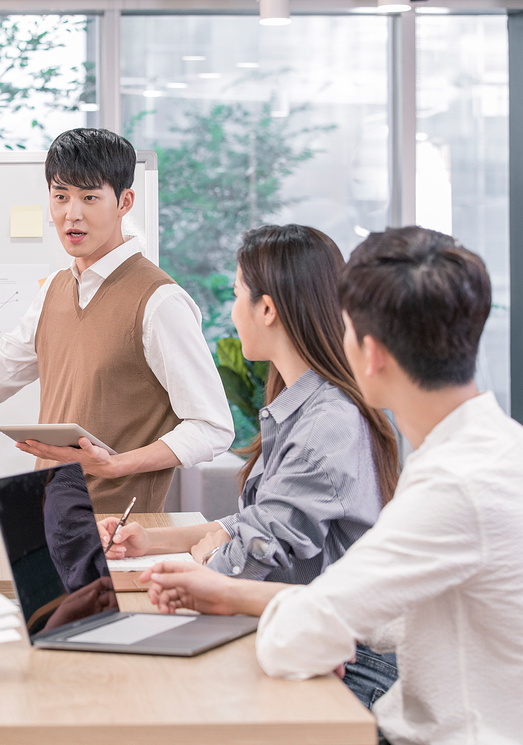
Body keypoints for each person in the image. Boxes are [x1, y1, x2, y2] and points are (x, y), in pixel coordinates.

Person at [141, 227, 523, 744]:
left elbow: (293, 641)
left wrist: (301, 621)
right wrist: (266, 605)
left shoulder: (455, 483)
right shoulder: (502, 449)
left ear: (371, 352)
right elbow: (391, 612)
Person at [0, 128, 234, 513]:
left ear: (124, 202)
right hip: (45, 520)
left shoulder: (160, 301)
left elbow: (212, 427)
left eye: (89, 197)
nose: (71, 214)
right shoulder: (54, 290)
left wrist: (116, 465)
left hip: (119, 533)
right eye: (60, 196)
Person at [99, 224, 401, 709]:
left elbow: (239, 567)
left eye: (238, 293)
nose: (232, 311)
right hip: (306, 640)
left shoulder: (326, 425)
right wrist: (150, 540)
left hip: (350, 666)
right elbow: (255, 525)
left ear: (267, 309)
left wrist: (210, 558)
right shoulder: (303, 407)